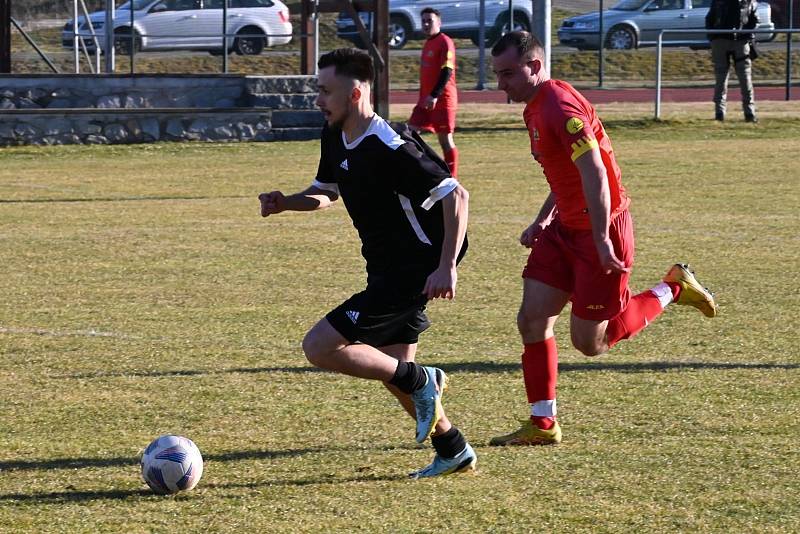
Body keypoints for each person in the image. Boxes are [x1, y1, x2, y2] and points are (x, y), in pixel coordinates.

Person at [487, 32, 718, 446]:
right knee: (532, 319)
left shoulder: (559, 106)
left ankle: (673, 288)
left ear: (535, 67)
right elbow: (565, 174)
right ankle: (542, 424)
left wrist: (600, 239)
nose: (500, 84)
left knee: (590, 342)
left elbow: (594, 172)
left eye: (507, 74)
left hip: (602, 230)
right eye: (497, 74)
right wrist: (544, 219)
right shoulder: (534, 107)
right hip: (564, 231)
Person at [258, 48, 476, 478]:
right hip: (386, 265)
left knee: (319, 347)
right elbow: (327, 192)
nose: (318, 99)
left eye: (325, 91)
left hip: (415, 267)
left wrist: (446, 266)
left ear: (355, 93)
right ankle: (453, 448)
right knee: (394, 369)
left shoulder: (391, 145)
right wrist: (287, 203)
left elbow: (457, 195)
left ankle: (422, 379)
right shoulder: (335, 133)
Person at [408, 7, 460, 177]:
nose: (426, 24)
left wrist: (435, 95)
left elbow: (447, 71)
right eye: (423, 21)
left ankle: (452, 178)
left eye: (429, 20)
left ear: (439, 22)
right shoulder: (428, 43)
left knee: (445, 140)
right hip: (425, 101)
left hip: (442, 100)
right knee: (409, 135)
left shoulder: (445, 42)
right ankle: (421, 171)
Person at [706, 0, 759, 122]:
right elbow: (755, 21)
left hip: (726, 40)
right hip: (733, 40)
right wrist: (748, 35)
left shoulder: (718, 2)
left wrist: (712, 37)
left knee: (725, 77)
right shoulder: (749, 2)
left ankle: (721, 113)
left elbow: (709, 19)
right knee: (741, 77)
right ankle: (748, 113)